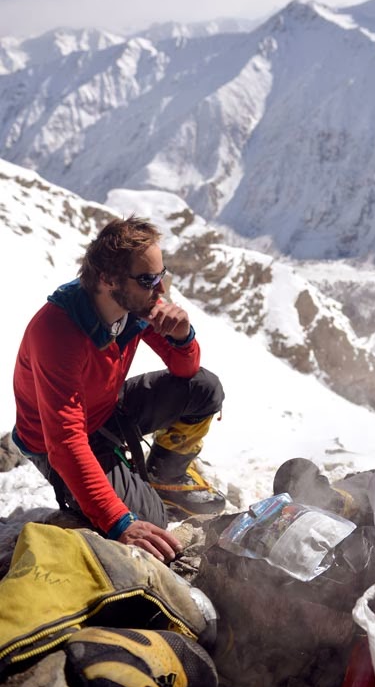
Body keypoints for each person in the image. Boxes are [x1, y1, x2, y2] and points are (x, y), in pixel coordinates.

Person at [12, 215, 225, 562]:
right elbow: (65, 443)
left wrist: (183, 336)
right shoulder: (58, 332)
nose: (161, 290)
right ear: (108, 279)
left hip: (105, 407)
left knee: (205, 389)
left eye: (162, 275)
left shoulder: (135, 306)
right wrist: (120, 522)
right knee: (150, 524)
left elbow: (185, 370)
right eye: (148, 279)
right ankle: (127, 498)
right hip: (55, 442)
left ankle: (163, 478)